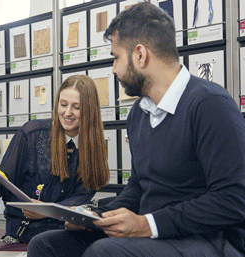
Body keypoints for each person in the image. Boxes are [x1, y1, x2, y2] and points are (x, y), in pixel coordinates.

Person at [27, 2, 245, 256]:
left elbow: (234, 199)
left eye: (116, 57)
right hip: (154, 234)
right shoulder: (139, 114)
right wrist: (95, 218)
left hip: (208, 239)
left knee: (104, 252)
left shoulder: (209, 104)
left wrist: (147, 224)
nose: (114, 69)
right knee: (45, 246)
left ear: (140, 55)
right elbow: (138, 188)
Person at [0, 75, 110, 243]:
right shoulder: (31, 134)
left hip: (67, 234)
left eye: (76, 107)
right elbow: (4, 187)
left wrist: (49, 210)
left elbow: (82, 196)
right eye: (63, 104)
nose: (67, 113)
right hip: (24, 233)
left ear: (89, 110)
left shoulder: (95, 145)